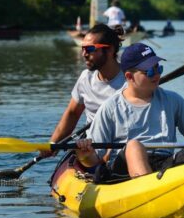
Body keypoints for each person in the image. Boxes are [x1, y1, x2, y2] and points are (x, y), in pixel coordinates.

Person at [75, 43, 184, 178]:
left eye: (158, 68)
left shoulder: (172, 99)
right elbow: (94, 159)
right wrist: (86, 154)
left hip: (164, 163)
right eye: (150, 72)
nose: (157, 74)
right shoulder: (110, 107)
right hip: (124, 168)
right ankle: (147, 195)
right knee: (134, 146)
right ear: (129, 77)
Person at [39, 23, 126, 159]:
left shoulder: (130, 80)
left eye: (90, 49)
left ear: (109, 50)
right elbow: (72, 113)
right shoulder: (86, 78)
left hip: (121, 148)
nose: (84, 54)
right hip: (90, 147)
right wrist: (53, 143)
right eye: (82, 48)